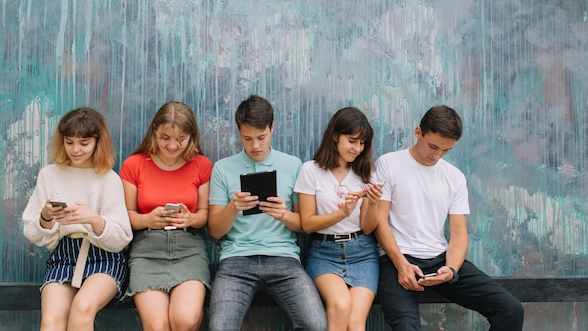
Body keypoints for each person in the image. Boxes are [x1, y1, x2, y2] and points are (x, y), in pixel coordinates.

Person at [374, 105, 524, 331]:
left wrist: (451, 270)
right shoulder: (389, 164)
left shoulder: (453, 177)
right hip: (397, 260)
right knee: (407, 327)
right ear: (418, 132)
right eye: (432, 146)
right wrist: (402, 265)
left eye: (446, 150)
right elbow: (379, 222)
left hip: (440, 259)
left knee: (510, 309)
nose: (436, 155)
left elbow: (458, 232)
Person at [208, 95, 327, 331]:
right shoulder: (222, 168)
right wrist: (233, 207)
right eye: (247, 138)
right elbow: (215, 230)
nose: (255, 146)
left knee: (316, 325)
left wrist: (283, 214)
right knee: (220, 327)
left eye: (261, 137)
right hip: (236, 260)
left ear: (272, 128)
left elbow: (305, 224)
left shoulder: (293, 165)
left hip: (283, 258)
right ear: (238, 132)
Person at [22, 107, 133, 331]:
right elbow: (33, 234)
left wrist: (94, 220)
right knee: (51, 321)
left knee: (82, 308)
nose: (75, 149)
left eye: (84, 143)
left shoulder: (109, 178)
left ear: (97, 142)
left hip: (104, 258)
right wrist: (46, 217)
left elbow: (121, 238)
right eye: (69, 142)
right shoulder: (48, 174)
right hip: (64, 255)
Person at [119, 101, 212, 331]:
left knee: (185, 319)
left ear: (192, 136)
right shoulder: (134, 165)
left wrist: (190, 219)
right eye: (165, 137)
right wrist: (147, 220)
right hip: (147, 250)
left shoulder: (201, 165)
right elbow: (127, 215)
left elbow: (204, 214)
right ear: (154, 131)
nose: (172, 145)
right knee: (157, 325)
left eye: (181, 139)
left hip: (188, 250)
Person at [295, 107, 383, 331]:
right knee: (340, 305)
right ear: (335, 136)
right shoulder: (311, 170)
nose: (357, 148)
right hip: (324, 251)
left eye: (362, 143)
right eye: (352, 141)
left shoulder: (366, 172)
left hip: (362, 251)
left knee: (355, 322)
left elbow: (367, 226)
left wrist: (372, 203)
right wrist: (342, 213)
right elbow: (307, 223)